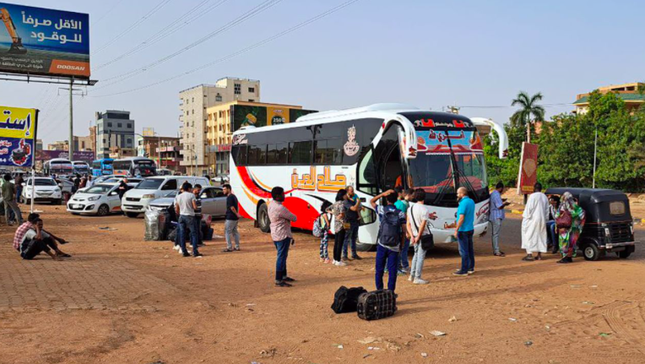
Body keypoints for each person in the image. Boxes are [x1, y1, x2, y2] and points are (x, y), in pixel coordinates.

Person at [370, 189, 406, 292]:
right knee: (392, 271)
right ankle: (390, 292)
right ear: (396, 200)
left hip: (382, 244)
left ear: (386, 199)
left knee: (379, 270)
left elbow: (372, 201)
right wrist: (401, 245)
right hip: (394, 246)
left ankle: (380, 291)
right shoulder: (400, 213)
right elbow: (404, 231)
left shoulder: (382, 209)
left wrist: (382, 194)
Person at [407, 188, 438, 284]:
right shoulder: (424, 209)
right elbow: (422, 225)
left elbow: (408, 223)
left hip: (414, 235)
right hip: (422, 236)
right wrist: (418, 237)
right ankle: (417, 277)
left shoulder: (410, 208)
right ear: (424, 197)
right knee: (420, 256)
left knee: (416, 255)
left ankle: (412, 275)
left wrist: (412, 236)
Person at [268, 186, 297, 287]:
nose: (284, 195)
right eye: (282, 194)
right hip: (282, 234)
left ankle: (283, 276)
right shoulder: (280, 208)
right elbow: (294, 218)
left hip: (275, 233)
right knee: (281, 256)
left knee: (282, 255)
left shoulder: (271, 204)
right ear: (277, 196)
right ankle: (279, 279)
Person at [521, 183, 549, 261]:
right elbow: (547, 211)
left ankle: (529, 254)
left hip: (532, 220)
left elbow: (528, 210)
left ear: (534, 188)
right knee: (540, 236)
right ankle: (539, 255)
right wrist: (545, 219)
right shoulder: (544, 197)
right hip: (542, 220)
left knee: (528, 235)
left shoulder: (532, 196)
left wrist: (525, 219)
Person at [556, 192, 586, 264]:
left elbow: (557, 215)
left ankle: (565, 257)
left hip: (565, 227)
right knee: (572, 243)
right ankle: (569, 257)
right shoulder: (577, 208)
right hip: (574, 228)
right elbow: (582, 215)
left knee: (564, 242)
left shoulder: (563, 205)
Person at [174, 181, 202, 257]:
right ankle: (195, 251)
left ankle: (184, 251)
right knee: (194, 233)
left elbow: (177, 209)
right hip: (190, 216)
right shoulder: (191, 195)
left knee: (182, 234)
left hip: (181, 216)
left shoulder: (178, 196)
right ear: (189, 188)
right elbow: (195, 207)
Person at [453, 187, 476, 276]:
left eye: (458, 193)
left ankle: (464, 269)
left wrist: (456, 229)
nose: (457, 195)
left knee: (464, 250)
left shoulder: (463, 203)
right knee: (470, 249)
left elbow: (461, 217)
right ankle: (470, 267)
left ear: (462, 194)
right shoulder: (471, 201)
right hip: (470, 228)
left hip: (463, 230)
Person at [489, 182, 510, 257]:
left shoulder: (493, 193)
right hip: (496, 216)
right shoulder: (497, 194)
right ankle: (496, 251)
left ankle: (496, 249)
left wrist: (502, 200)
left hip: (493, 216)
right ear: (501, 188)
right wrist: (505, 204)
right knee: (495, 234)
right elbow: (499, 206)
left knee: (495, 234)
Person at [328, 189, 348, 267]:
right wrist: (340, 215)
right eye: (345, 194)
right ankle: (338, 260)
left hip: (336, 225)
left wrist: (334, 214)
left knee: (336, 243)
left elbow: (327, 209)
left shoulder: (335, 203)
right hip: (342, 225)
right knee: (340, 243)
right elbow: (342, 213)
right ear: (343, 195)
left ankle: (334, 259)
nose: (346, 196)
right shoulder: (342, 204)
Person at [342, 186, 362, 261]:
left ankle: (354, 254)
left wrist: (357, 206)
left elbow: (357, 208)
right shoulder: (346, 201)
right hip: (348, 221)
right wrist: (357, 203)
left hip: (355, 221)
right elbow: (353, 208)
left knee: (354, 238)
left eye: (352, 190)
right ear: (347, 192)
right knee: (346, 238)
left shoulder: (352, 200)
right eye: (351, 191)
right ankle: (344, 255)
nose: (352, 192)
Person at [222, 183, 241, 252]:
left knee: (227, 232)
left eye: (224, 189)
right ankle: (237, 246)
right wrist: (237, 214)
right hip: (234, 218)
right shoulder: (234, 196)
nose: (223, 191)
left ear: (229, 189)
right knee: (235, 232)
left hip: (230, 217)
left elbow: (232, 207)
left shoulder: (229, 197)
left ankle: (229, 247)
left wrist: (236, 214)